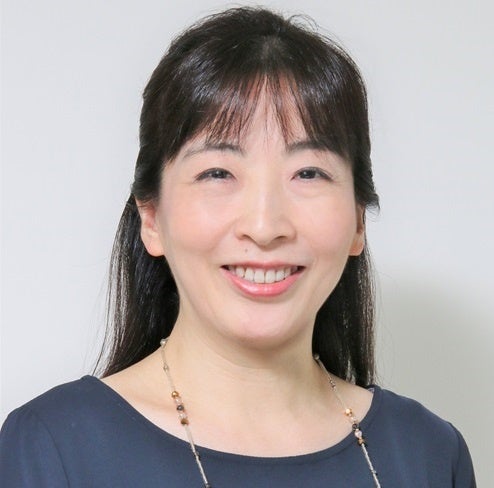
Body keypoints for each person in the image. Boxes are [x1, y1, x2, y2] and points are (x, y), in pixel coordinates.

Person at [0, 7, 475, 487]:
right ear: (152, 217)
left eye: (308, 173)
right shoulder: (52, 448)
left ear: (357, 221)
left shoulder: (429, 454)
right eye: (218, 173)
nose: (265, 227)